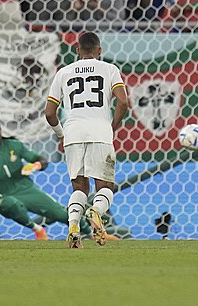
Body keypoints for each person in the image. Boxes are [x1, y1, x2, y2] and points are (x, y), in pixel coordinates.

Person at [44, 32, 128, 248]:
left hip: (73, 133)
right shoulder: (110, 70)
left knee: (79, 188)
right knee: (105, 185)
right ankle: (96, 211)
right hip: (100, 132)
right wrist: (111, 128)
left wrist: (62, 135)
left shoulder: (63, 72)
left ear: (77, 50)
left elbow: (50, 113)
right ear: (99, 51)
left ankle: (73, 226)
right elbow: (123, 102)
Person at [0, 120, 96, 240]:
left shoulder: (14, 146)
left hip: (27, 190)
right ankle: (37, 229)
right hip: (3, 197)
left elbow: (42, 160)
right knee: (9, 203)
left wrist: (36, 165)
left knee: (62, 214)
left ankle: (92, 234)